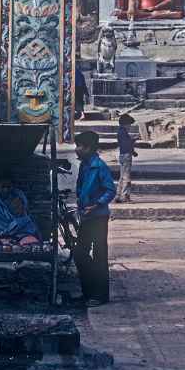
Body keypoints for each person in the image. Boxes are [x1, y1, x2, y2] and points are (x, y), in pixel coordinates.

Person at [73, 131, 116, 307]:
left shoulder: (100, 166)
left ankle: (100, 295)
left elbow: (110, 190)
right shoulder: (84, 165)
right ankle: (88, 292)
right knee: (79, 253)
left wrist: (97, 204)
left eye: (79, 146)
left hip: (98, 217)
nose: (77, 149)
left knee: (99, 256)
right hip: (87, 216)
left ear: (89, 148)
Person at [115, 113, 137, 203]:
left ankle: (119, 195)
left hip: (122, 155)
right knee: (126, 177)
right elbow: (127, 145)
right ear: (125, 124)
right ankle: (125, 196)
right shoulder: (123, 132)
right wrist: (133, 140)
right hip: (126, 156)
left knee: (122, 177)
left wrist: (134, 152)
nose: (130, 127)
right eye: (129, 125)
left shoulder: (121, 132)